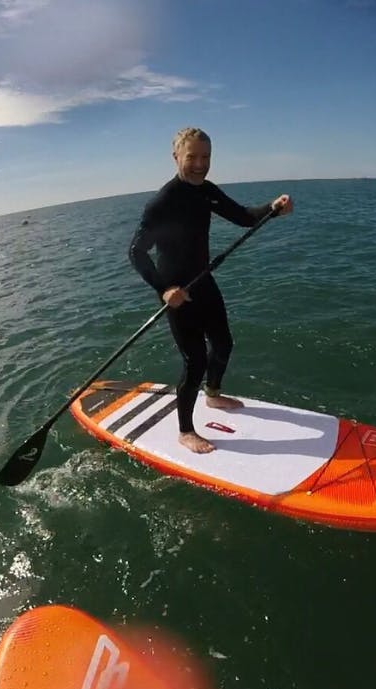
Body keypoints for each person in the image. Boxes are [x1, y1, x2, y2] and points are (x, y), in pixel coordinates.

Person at [129, 127, 293, 454]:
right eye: (192, 157)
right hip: (178, 293)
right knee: (195, 361)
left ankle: (213, 395)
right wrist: (164, 290)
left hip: (204, 282)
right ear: (177, 156)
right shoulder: (163, 202)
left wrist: (271, 209)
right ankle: (186, 431)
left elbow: (244, 217)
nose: (200, 164)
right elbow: (136, 251)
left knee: (224, 343)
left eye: (206, 157)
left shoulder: (206, 191)